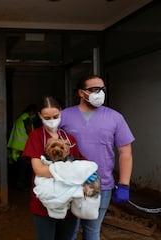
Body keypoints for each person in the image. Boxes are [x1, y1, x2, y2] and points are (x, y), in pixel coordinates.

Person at [60, 75, 135, 240]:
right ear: (81, 93)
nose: (100, 93)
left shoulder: (115, 117)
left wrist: (124, 184)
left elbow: (125, 152)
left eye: (102, 89)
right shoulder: (64, 116)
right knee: (67, 232)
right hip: (69, 183)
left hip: (99, 184)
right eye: (94, 89)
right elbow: (50, 146)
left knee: (92, 231)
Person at [22, 96, 85, 240]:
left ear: (61, 113)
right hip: (44, 203)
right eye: (47, 117)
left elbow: (80, 162)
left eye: (55, 116)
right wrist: (69, 172)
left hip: (69, 203)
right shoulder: (36, 136)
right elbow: (39, 170)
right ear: (40, 116)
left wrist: (88, 173)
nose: (52, 120)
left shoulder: (69, 138)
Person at [7, 104, 38, 191]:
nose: (35, 115)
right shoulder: (26, 119)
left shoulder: (20, 118)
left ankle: (20, 184)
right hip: (21, 148)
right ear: (32, 112)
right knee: (23, 169)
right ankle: (21, 185)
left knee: (20, 168)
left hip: (17, 147)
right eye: (35, 113)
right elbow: (30, 133)